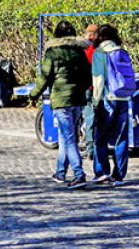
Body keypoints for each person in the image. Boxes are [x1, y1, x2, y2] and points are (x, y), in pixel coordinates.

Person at [28, 21, 93, 189]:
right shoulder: (79, 51)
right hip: (78, 99)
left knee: (68, 138)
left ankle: (79, 174)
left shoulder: (53, 52)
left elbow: (44, 77)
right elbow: (88, 75)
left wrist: (33, 95)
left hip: (61, 100)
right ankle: (60, 172)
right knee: (66, 136)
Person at [92, 24, 132, 186]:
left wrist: (95, 101)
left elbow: (98, 80)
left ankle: (102, 172)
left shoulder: (99, 53)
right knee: (121, 138)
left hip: (107, 99)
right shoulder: (121, 52)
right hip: (123, 97)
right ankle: (119, 175)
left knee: (100, 137)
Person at [81, 24, 99, 161]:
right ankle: (91, 149)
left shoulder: (80, 48)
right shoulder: (92, 50)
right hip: (91, 88)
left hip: (80, 87)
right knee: (90, 117)